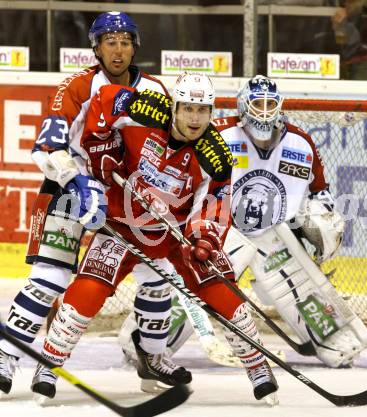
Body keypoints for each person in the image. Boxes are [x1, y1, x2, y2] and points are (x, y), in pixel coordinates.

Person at [32, 72, 279, 403]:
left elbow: (215, 204)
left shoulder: (216, 155)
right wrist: (100, 147)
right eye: (188, 108)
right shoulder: (145, 109)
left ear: (211, 112)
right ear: (174, 106)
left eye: (202, 110)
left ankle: (258, 368)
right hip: (121, 225)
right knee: (87, 292)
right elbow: (104, 101)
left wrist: (203, 237)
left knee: (222, 288)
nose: (195, 118)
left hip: (175, 234)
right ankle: (48, 364)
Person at [135, 75, 367, 369]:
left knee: (338, 345)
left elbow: (320, 191)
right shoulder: (217, 134)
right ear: (242, 105)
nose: (263, 110)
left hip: (274, 235)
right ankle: (145, 341)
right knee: (198, 283)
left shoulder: (301, 143)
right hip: (221, 231)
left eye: (269, 104)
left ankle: (330, 336)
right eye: (257, 103)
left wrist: (320, 218)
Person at [0, 11, 169, 397]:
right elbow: (46, 148)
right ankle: (6, 355)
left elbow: (169, 144)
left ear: (135, 47)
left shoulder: (156, 91)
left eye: (126, 41)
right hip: (68, 188)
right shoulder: (76, 87)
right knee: (50, 278)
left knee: (156, 276)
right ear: (96, 47)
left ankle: (152, 359)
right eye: (110, 41)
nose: (119, 49)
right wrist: (75, 179)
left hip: (128, 196)